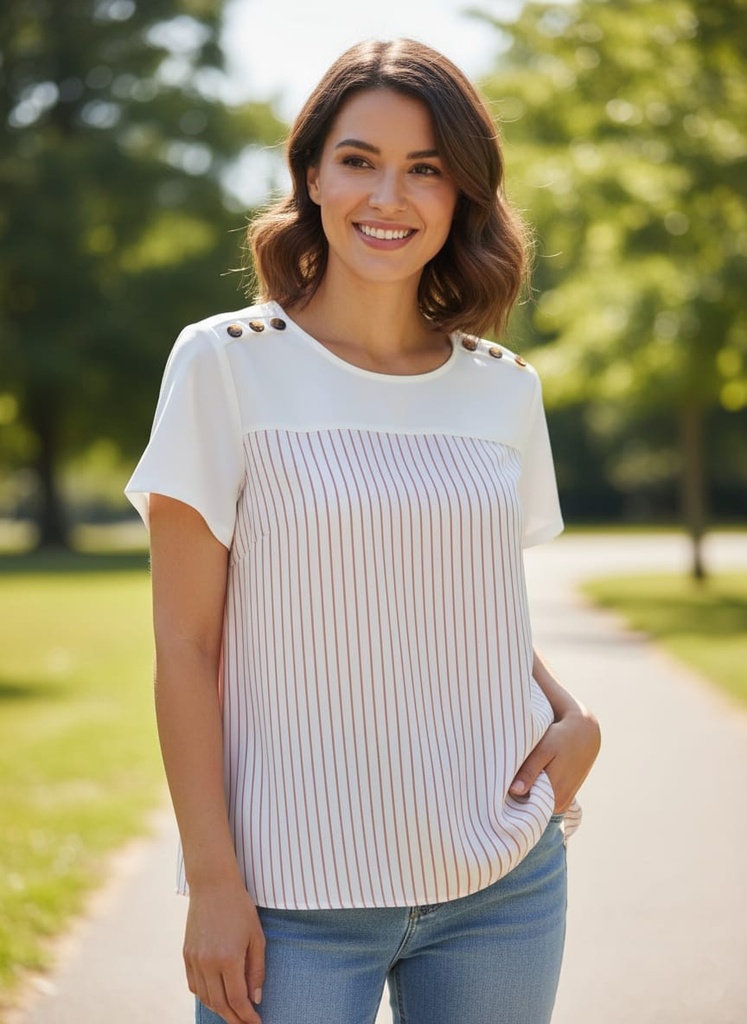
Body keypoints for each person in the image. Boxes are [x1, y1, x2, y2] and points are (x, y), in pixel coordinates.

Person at [125, 38, 600, 1024]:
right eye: (359, 160)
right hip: (287, 896)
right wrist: (214, 880)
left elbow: (455, 603)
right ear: (311, 173)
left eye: (425, 169)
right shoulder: (224, 362)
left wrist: (570, 717)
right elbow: (185, 644)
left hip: (502, 882)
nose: (390, 196)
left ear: (462, 193)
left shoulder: (503, 386)